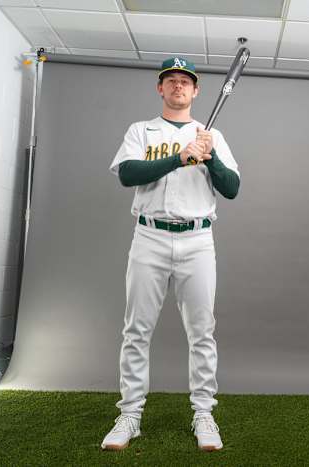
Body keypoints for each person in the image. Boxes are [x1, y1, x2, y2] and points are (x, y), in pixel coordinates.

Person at [102, 57, 240, 452]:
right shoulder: (141, 130)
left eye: (185, 81)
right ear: (159, 88)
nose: (178, 85)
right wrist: (178, 157)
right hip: (150, 236)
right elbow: (128, 174)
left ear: (196, 90)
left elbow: (231, 189)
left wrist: (210, 157)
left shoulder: (212, 135)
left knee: (202, 332)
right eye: (171, 80)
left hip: (198, 240)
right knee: (136, 330)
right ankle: (130, 415)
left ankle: (203, 413)